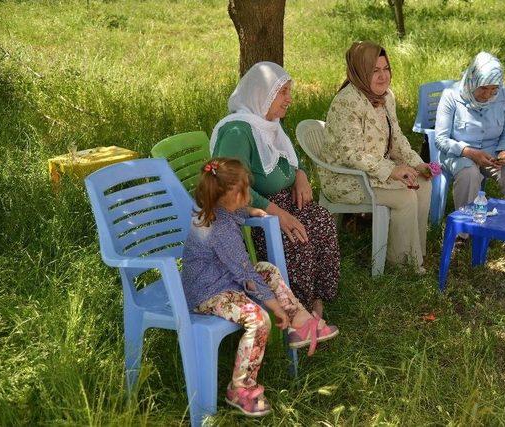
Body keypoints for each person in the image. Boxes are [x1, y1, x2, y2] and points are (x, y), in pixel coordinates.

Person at [181, 158, 339, 417]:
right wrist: (274, 306)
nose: (248, 197)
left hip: (225, 280)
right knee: (259, 319)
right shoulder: (218, 229)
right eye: (243, 193)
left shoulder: (221, 207)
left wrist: (250, 212)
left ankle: (299, 321)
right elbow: (246, 276)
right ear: (224, 196)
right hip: (207, 292)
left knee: (268, 268)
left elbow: (238, 216)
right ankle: (240, 387)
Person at [210, 62, 340, 317]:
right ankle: (297, 310)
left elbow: (288, 160)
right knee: (297, 238)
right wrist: (276, 213)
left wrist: (300, 174)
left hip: (283, 205)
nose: (289, 99)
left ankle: (315, 299)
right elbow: (230, 187)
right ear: (262, 94)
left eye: (289, 92)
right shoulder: (238, 131)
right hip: (256, 216)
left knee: (322, 221)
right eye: (283, 92)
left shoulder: (269, 125)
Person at [321, 40, 435, 274]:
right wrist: (392, 170)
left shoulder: (386, 96)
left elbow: (397, 138)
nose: (383, 76)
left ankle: (416, 254)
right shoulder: (347, 102)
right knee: (405, 195)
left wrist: (417, 163)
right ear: (361, 72)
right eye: (375, 70)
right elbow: (350, 153)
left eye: (386, 69)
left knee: (422, 182)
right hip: (346, 177)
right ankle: (401, 263)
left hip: (373, 171)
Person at [434, 51, 505, 237]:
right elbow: (441, 139)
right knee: (469, 174)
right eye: (483, 88)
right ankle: (464, 232)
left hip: (493, 152)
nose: (488, 95)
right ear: (473, 80)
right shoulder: (451, 96)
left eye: (493, 89)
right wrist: (469, 152)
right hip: (459, 153)